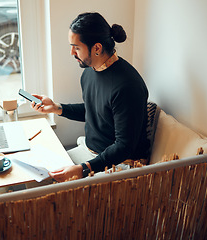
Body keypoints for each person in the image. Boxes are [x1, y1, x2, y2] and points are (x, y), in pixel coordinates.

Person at [31, 12, 149, 182]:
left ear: (97, 48)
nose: (71, 52)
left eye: (76, 47)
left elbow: (124, 147)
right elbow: (95, 110)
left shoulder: (128, 86)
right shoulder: (89, 72)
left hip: (122, 163)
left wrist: (83, 169)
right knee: (37, 176)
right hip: (92, 153)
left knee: (45, 184)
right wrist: (57, 108)